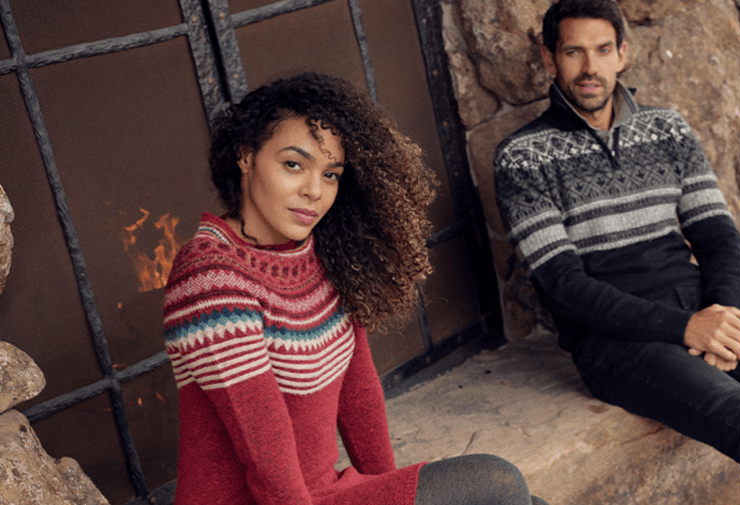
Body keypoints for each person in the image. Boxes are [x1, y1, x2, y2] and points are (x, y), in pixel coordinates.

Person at [493, 1, 740, 504]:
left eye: (601, 50)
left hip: (703, 304)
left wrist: (723, 312)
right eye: (574, 52)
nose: (590, 68)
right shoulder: (523, 157)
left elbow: (718, 237)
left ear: (623, 54)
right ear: (552, 60)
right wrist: (683, 329)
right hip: (614, 341)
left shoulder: (667, 130)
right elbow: (564, 288)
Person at [163, 72, 548, 505]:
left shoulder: (319, 253)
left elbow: (359, 396)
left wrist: (395, 491)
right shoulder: (209, 280)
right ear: (246, 156)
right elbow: (269, 465)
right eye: (294, 164)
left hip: (326, 491)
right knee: (498, 482)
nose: (314, 191)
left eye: (331, 174)